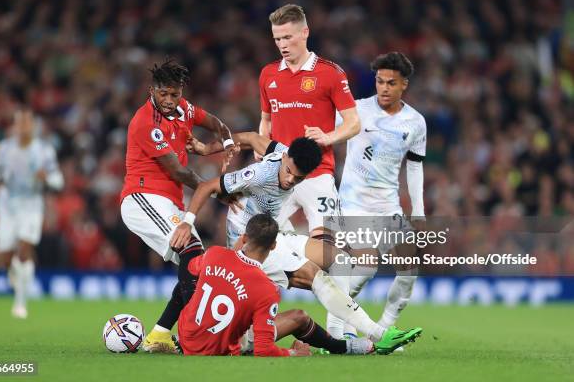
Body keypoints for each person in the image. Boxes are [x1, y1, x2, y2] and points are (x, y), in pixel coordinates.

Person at [173, 132, 422, 350]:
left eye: (298, 178)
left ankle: (338, 334)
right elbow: (207, 186)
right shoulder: (259, 175)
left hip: (272, 233)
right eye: (289, 172)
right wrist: (188, 220)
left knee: (339, 260)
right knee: (315, 276)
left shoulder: (284, 151)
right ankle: (379, 335)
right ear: (284, 160)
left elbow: (249, 138)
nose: (291, 180)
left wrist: (211, 147)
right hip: (249, 245)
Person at [119, 58, 236, 353]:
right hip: (142, 198)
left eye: (175, 94)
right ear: (152, 90)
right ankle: (196, 332)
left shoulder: (184, 108)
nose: (169, 101)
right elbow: (180, 172)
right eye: (163, 94)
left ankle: (159, 334)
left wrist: (227, 142)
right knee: (192, 252)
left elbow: (215, 123)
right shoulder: (145, 123)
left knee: (196, 262)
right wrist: (216, 191)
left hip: (166, 201)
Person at [178, 214, 397, 356]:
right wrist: (294, 353)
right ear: (274, 246)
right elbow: (264, 350)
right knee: (299, 317)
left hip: (187, 338)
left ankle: (166, 332)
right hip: (220, 349)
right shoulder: (265, 288)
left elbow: (190, 270)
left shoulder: (214, 254)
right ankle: (344, 347)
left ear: (243, 238)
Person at [329, 52, 427, 339]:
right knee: (366, 267)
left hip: (388, 206)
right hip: (352, 204)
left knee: (409, 268)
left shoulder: (416, 122)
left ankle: (383, 329)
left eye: (391, 83)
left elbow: (415, 168)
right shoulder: (356, 110)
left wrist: (418, 210)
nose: (383, 88)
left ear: (404, 85)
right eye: (379, 81)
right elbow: (320, 126)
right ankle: (342, 331)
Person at [257, 4, 360, 241]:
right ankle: (294, 261)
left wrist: (328, 137)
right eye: (277, 39)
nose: (282, 44)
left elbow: (353, 123)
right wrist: (261, 145)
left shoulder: (330, 73)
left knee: (326, 248)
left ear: (305, 33)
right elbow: (265, 120)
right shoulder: (268, 74)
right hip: (279, 175)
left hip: (317, 173)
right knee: (258, 244)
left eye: (287, 37)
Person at [0, 109, 64, 319]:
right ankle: (14, 271)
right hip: (7, 205)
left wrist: (46, 177)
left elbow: (59, 181)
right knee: (3, 258)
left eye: (27, 123)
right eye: (20, 123)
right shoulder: (4, 149)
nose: (23, 128)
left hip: (31, 204)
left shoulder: (43, 151)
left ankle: (20, 302)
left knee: (24, 249)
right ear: (14, 126)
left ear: (33, 126)